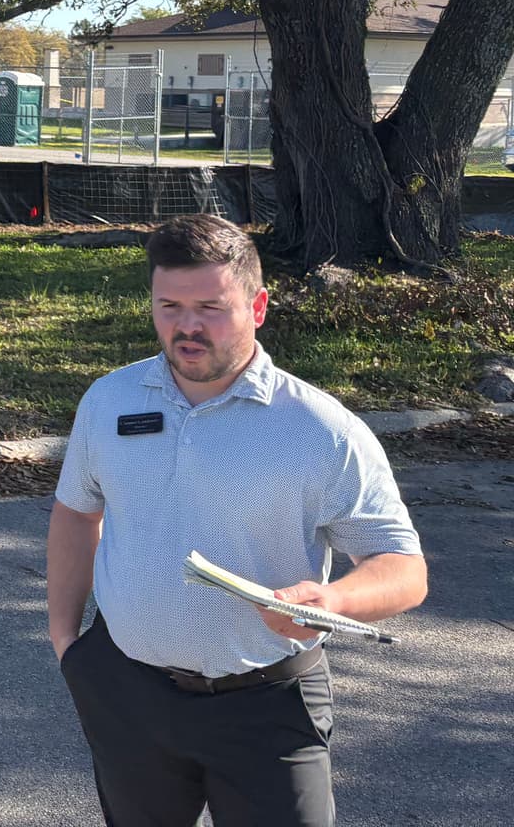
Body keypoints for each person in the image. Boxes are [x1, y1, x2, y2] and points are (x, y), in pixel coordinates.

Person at [47, 213, 426, 826]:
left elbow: (404, 569)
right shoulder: (109, 402)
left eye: (211, 308)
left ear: (258, 307)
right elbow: (76, 512)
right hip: (127, 694)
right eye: (168, 305)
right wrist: (68, 644)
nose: (187, 326)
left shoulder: (321, 429)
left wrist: (330, 600)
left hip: (268, 705)